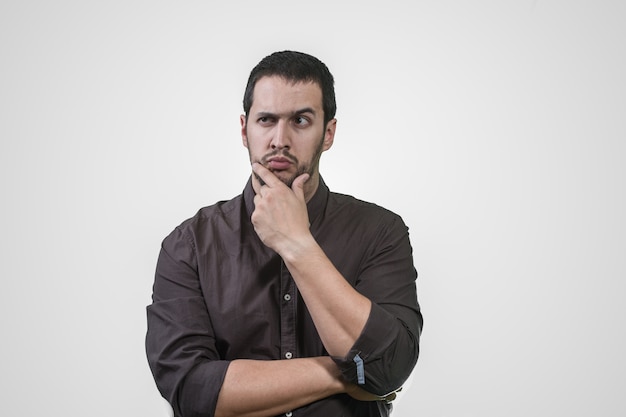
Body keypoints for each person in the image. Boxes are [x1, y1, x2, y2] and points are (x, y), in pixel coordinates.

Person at [146, 50, 423, 417]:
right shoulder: (189, 246)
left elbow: (389, 364)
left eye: (301, 121)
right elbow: (192, 391)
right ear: (245, 130)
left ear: (328, 133)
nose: (280, 139)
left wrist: (297, 244)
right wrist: (346, 374)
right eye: (266, 120)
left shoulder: (380, 233)